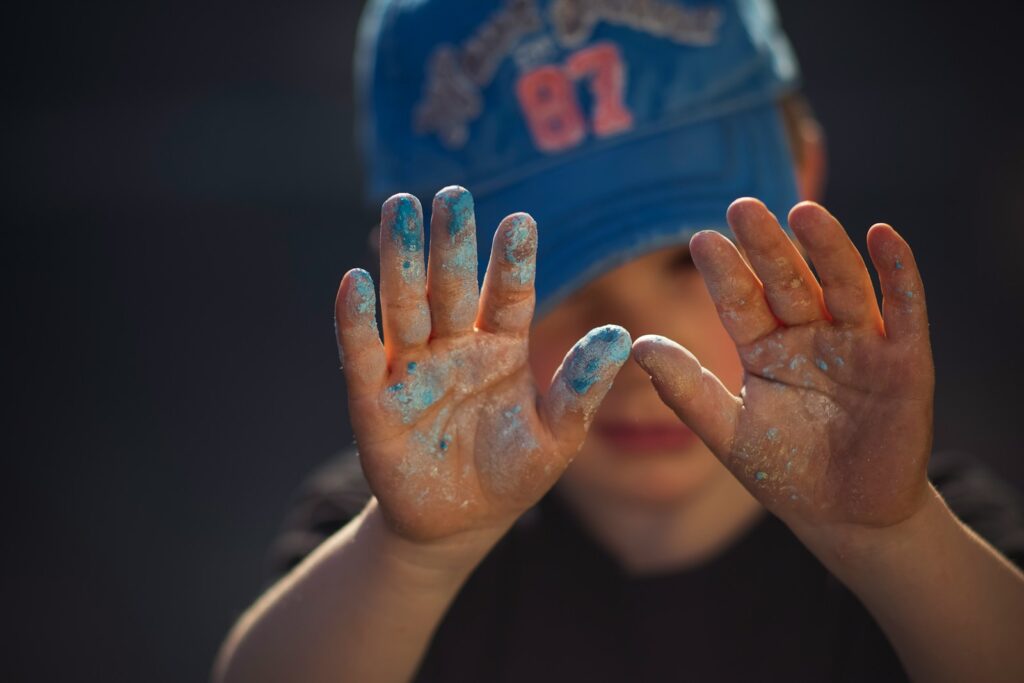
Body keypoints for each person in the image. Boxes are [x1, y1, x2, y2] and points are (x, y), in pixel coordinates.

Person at [214, 1, 1024, 681]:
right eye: (549, 279)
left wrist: (893, 540)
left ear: (802, 176)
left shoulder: (929, 545)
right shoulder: (387, 544)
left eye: (690, 261)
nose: (639, 349)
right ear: (425, 282)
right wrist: (415, 557)